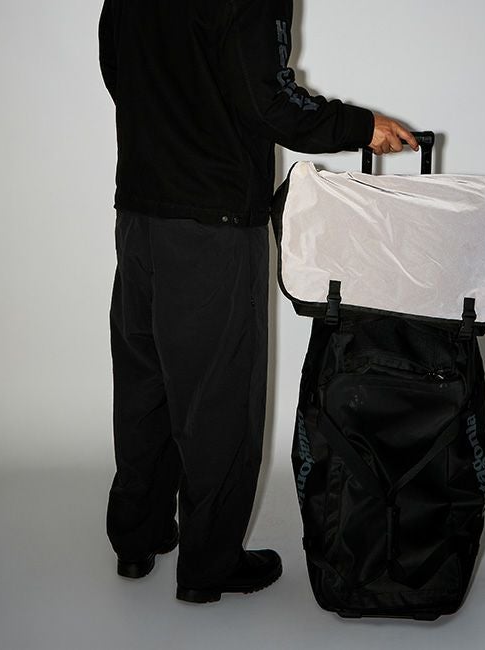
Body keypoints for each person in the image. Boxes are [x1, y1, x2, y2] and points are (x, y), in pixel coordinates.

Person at [98, 0, 418, 604]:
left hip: (139, 210)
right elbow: (269, 102)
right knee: (219, 397)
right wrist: (361, 126)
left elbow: (117, 68)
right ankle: (209, 565)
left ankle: (137, 538)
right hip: (213, 221)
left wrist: (174, 126)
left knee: (146, 382)